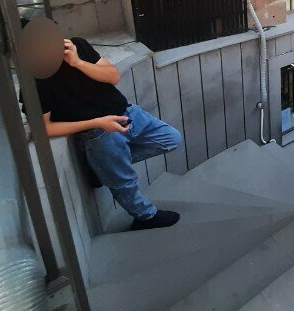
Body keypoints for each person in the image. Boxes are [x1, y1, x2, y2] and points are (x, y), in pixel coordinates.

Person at [20, 18, 183, 231]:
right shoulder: (34, 81)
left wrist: (78, 63)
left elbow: (113, 76)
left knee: (172, 139)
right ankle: (145, 217)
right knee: (124, 182)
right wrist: (99, 123)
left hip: (129, 113)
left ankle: (100, 168)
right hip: (100, 133)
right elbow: (43, 128)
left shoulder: (78, 46)